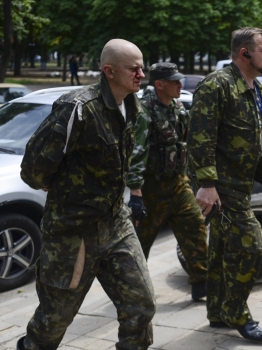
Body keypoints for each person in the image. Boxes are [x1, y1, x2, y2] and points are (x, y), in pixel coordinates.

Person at [17, 39, 155, 350]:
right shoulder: (77, 108)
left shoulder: (134, 106)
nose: (141, 75)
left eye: (142, 67)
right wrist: (57, 185)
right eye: (134, 69)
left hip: (115, 224)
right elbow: (33, 169)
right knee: (54, 319)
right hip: (72, 230)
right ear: (109, 71)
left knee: (141, 306)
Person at [188, 26, 262, 342]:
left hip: (243, 185)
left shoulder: (256, 89)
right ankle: (237, 312)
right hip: (222, 185)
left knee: (219, 250)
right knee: (252, 247)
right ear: (245, 53)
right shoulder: (216, 86)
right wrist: (206, 184)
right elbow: (200, 139)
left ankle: (217, 312)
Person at [127, 62, 209, 300]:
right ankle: (132, 290)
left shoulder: (177, 106)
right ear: (159, 84)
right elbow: (136, 152)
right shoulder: (144, 112)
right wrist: (136, 193)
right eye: (174, 81)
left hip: (178, 183)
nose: (180, 85)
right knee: (140, 242)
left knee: (195, 226)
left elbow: (185, 142)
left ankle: (201, 283)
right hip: (152, 189)